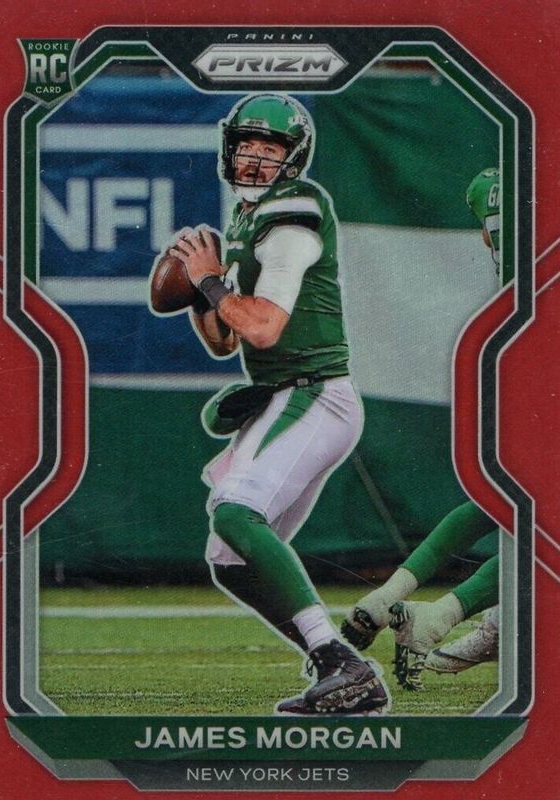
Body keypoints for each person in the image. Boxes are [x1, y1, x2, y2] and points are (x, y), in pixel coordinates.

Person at [174, 94, 390, 715]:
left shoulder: (294, 211)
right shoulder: (247, 218)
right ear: (229, 147)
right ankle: (340, 667)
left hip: (316, 393)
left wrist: (210, 280)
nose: (255, 158)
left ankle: (342, 665)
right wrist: (200, 292)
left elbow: (263, 328)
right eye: (247, 144)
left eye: (270, 149)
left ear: (292, 158)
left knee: (235, 513)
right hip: (289, 395)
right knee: (230, 558)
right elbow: (225, 340)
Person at [341, 168, 502, 688]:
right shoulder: (537, 188)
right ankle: (458, 618)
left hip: (511, 350)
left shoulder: (496, 193)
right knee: (535, 510)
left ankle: (393, 598)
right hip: (541, 343)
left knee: (502, 500)